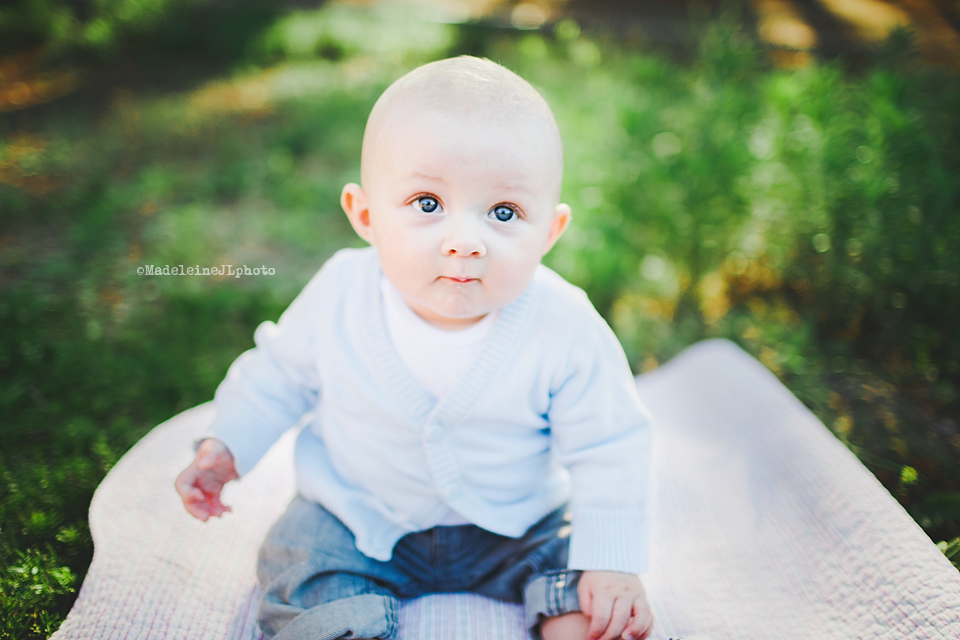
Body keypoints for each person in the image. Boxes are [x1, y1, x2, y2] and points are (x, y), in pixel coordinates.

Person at [175, 55, 654, 640]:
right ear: (367, 215)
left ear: (549, 233)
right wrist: (227, 445)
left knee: (586, 578)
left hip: (518, 525)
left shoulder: (564, 324)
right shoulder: (339, 295)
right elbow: (278, 374)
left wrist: (610, 559)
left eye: (504, 212)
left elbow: (611, 444)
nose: (465, 242)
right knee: (300, 561)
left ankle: (580, 622)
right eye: (428, 204)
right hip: (358, 518)